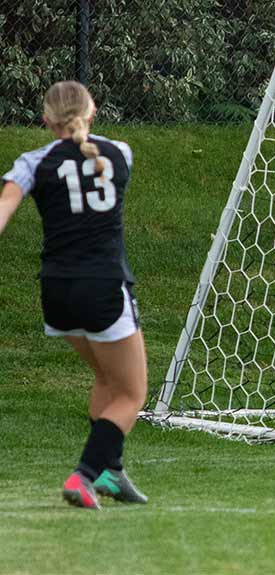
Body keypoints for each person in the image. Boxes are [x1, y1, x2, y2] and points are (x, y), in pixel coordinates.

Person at [0, 81, 149, 508]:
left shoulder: (33, 161)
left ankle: (111, 469)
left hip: (57, 292)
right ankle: (85, 475)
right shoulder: (120, 151)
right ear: (93, 111)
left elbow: (4, 210)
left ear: (46, 120)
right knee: (131, 394)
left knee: (106, 379)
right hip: (103, 287)